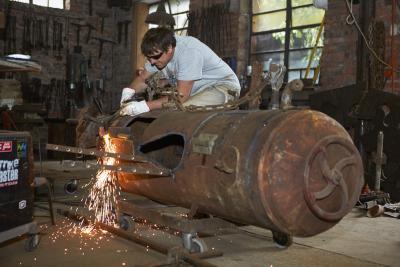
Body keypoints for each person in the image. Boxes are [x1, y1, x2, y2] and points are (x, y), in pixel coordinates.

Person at [119, 27, 241, 116]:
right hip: (197, 91)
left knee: (182, 110)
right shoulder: (158, 54)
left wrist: (144, 106)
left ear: (169, 48)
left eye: (155, 57)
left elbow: (180, 98)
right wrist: (128, 92)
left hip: (223, 87)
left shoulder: (189, 52)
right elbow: (142, 79)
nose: (151, 62)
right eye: (148, 57)